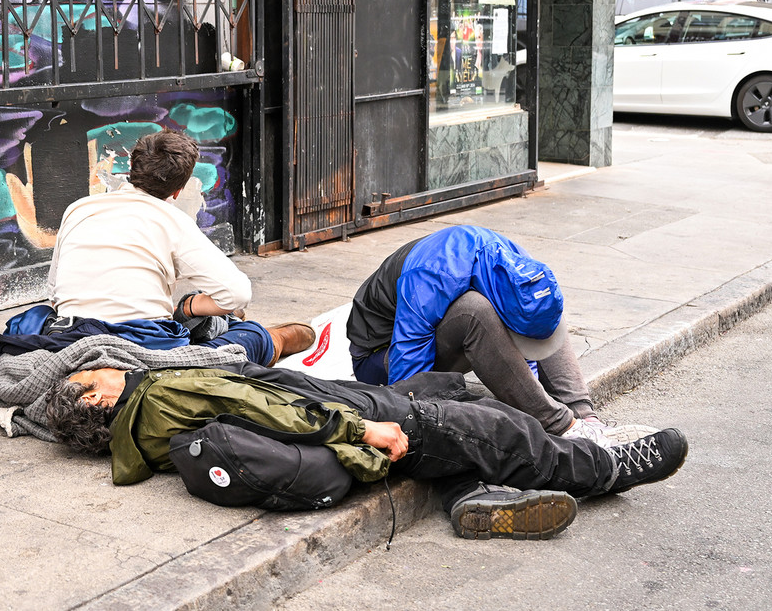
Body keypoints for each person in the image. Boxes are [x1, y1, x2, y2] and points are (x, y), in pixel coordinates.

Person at [40, 345, 688, 541]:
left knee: (449, 391)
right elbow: (262, 405)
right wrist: (362, 428)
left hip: (335, 406)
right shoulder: (158, 398)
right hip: (344, 419)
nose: (104, 364)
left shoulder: (145, 435)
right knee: (497, 427)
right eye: (92, 375)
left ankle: (470, 496)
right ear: (96, 400)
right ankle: (604, 468)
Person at [346, 225, 655, 448]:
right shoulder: (433, 278)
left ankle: (586, 419)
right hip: (380, 357)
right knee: (474, 311)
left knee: (545, 304)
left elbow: (525, 357)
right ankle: (563, 426)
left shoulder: (517, 263)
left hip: (436, 328)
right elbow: (407, 382)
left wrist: (529, 393)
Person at [47, 129, 314, 367]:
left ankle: (202, 317)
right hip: (142, 347)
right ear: (178, 190)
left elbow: (54, 295)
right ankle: (271, 340)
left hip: (71, 338)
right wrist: (190, 307)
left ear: (131, 169)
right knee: (244, 338)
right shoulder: (173, 220)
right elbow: (237, 294)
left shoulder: (78, 209)